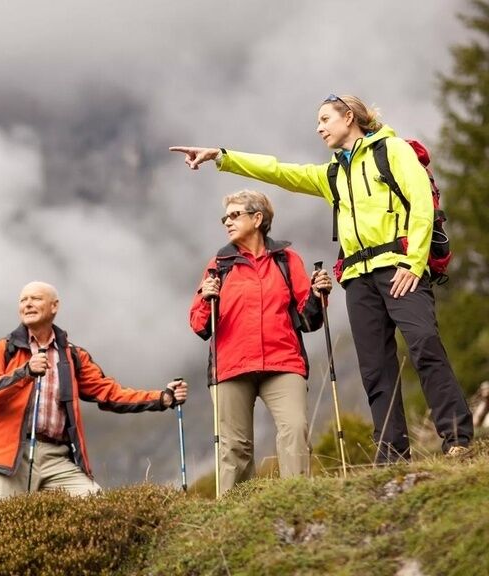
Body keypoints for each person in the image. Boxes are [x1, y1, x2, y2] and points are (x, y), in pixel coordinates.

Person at [170, 93, 473, 462]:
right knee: (375, 368)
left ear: (349, 116)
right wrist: (221, 156)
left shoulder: (392, 150)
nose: (319, 128)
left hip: (400, 267)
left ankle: (457, 438)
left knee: (425, 345)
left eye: (325, 119)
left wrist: (413, 263)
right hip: (358, 278)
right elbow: (279, 171)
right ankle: (392, 454)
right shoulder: (332, 174)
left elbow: (422, 206)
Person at [0, 281, 188, 504]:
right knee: (5, 527)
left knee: (97, 504)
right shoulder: (3, 348)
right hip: (11, 457)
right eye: (23, 300)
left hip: (57, 456)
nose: (27, 304)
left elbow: (109, 393)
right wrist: (24, 372)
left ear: (54, 306)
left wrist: (163, 398)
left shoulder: (72, 355)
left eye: (35, 299)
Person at [191, 190, 330, 488]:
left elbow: (310, 319)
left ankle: (297, 499)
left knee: (295, 428)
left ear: (257, 218)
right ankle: (232, 518)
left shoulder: (287, 260)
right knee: (235, 448)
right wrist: (207, 298)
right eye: (224, 217)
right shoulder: (219, 264)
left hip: (284, 362)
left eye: (234, 215)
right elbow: (199, 325)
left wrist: (319, 294)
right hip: (231, 367)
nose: (227, 222)